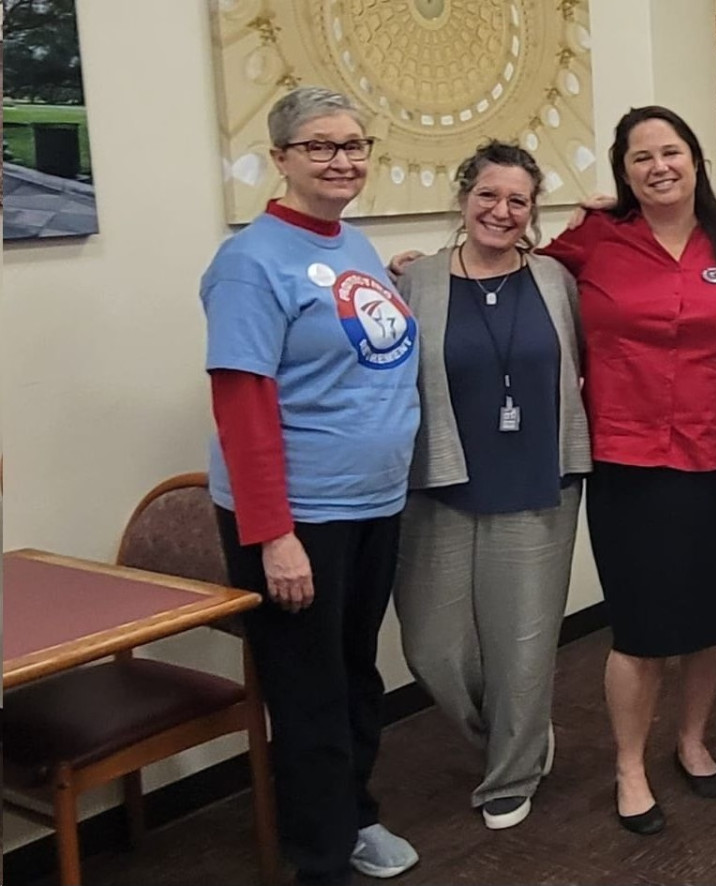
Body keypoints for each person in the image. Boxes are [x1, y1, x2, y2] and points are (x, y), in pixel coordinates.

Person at [202, 86, 421, 886]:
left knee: (356, 671)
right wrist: (273, 534)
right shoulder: (249, 262)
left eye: (356, 145)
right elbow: (242, 404)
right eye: (323, 146)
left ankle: (353, 815)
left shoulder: (349, 244)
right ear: (282, 158)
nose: (344, 160)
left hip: (372, 501)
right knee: (308, 691)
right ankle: (321, 859)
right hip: (300, 518)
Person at [540, 106, 716, 835]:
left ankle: (693, 740)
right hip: (629, 460)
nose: (659, 166)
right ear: (623, 171)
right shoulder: (592, 241)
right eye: (642, 157)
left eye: (672, 151)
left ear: (696, 160)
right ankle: (629, 766)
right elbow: (509, 269)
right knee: (639, 628)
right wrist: (425, 271)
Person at [390, 141, 590, 831]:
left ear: (532, 213)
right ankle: (519, 734)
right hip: (440, 480)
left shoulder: (558, 282)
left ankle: (512, 769)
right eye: (488, 196)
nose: (500, 212)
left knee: (524, 647)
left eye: (518, 201)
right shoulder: (413, 281)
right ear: (464, 197)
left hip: (541, 480)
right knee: (432, 649)